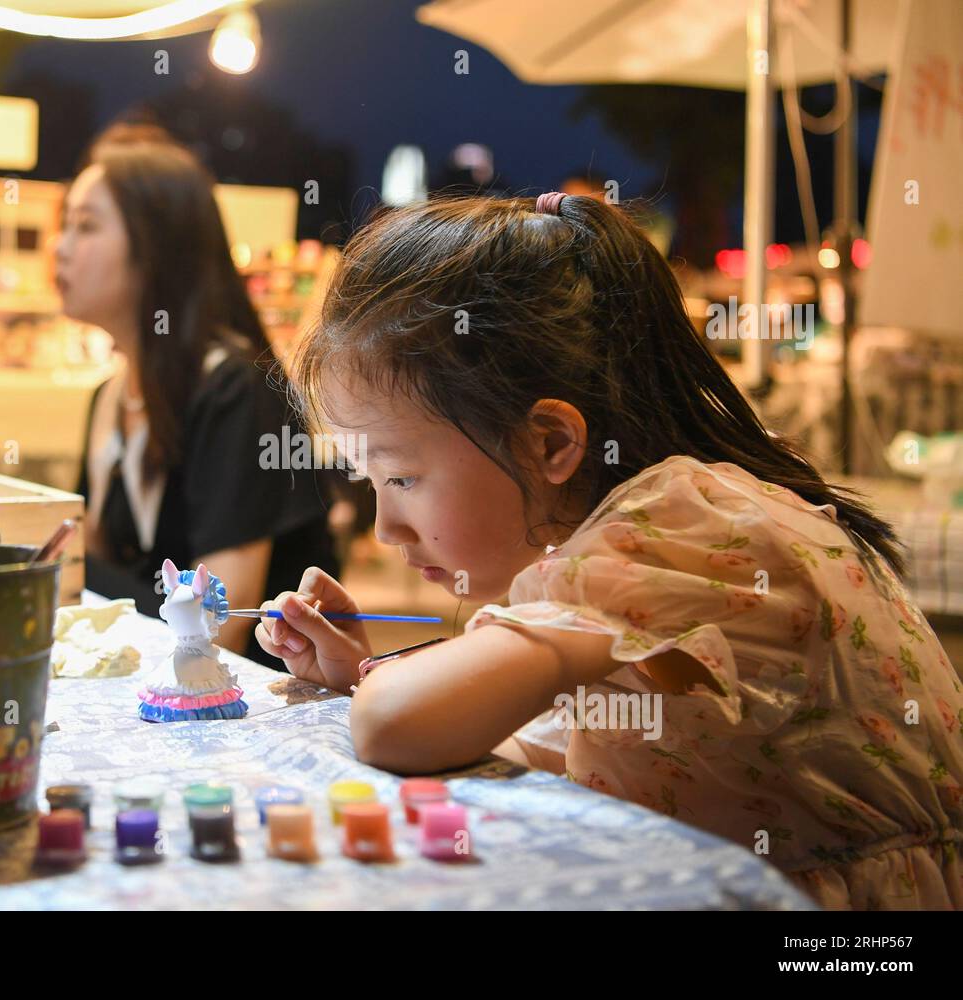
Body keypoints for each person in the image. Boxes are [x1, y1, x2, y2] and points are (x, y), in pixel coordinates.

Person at [253, 191, 963, 910]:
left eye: (401, 477)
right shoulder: (660, 530)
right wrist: (362, 674)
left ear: (551, 443)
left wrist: (379, 694)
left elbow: (390, 725)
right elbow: (538, 738)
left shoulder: (685, 531)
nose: (386, 531)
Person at [55, 133, 338, 664]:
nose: (60, 246)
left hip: (247, 713)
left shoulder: (238, 389)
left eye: (86, 226)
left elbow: (216, 630)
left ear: (155, 248)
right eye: (65, 225)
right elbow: (86, 565)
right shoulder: (108, 396)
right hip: (147, 692)